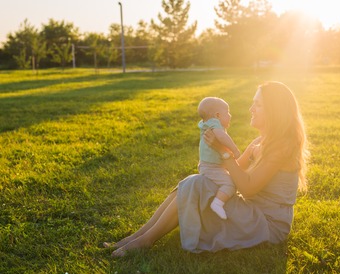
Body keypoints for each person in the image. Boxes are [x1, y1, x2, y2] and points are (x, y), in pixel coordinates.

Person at [105, 81, 309, 257]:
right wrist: (212, 162)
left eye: (257, 104)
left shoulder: (282, 147)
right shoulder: (261, 141)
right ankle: (138, 236)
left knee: (195, 184)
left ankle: (145, 241)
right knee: (191, 182)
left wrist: (223, 151)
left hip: (267, 224)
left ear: (274, 111)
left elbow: (247, 187)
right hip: (251, 212)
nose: (251, 108)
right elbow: (235, 170)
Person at [197, 97, 241, 220]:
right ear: (217, 115)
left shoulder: (208, 124)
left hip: (209, 165)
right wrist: (235, 150)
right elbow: (222, 137)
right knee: (231, 184)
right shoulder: (215, 124)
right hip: (211, 167)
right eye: (227, 112)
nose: (230, 115)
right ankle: (217, 203)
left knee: (227, 179)